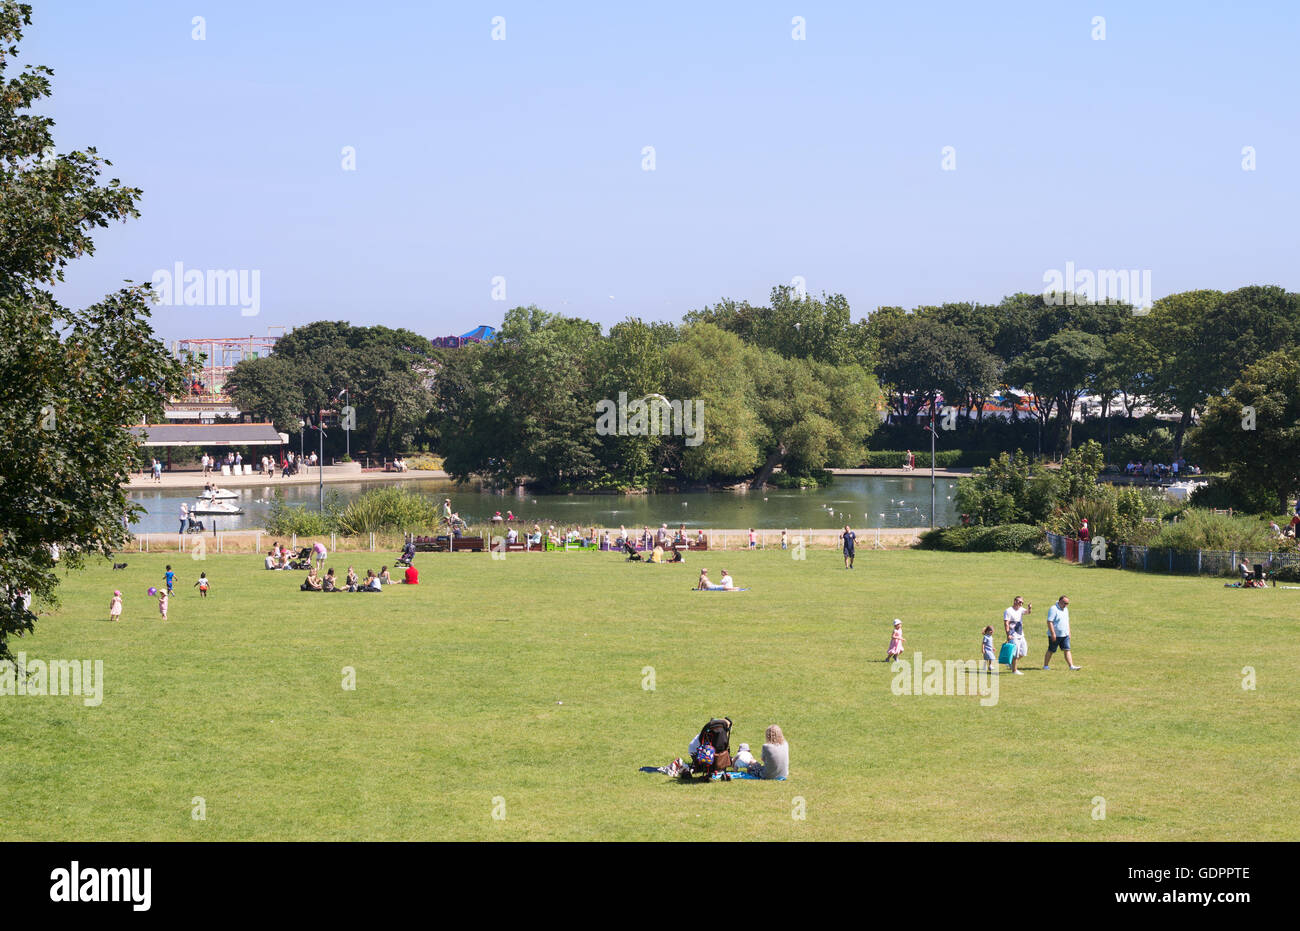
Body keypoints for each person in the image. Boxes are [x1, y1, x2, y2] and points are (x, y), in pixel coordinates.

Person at [1043, 595, 1080, 670]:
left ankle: (1071, 666)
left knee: (1067, 649)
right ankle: (1045, 666)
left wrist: (1069, 632)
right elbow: (1049, 621)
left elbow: (1067, 621)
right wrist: (1053, 634)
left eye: (1067, 603)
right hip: (1055, 635)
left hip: (1064, 634)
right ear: (1059, 601)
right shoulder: (1053, 609)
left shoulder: (1065, 609)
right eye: (1064, 603)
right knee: (1051, 650)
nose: (1066, 605)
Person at [1003, 595, 1031, 675]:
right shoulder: (1008, 611)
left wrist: (1029, 608)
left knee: (1023, 652)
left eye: (1022, 602)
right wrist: (1008, 634)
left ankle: (1010, 663)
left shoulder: (1021, 609)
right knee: (1016, 653)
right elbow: (1006, 623)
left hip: (1021, 634)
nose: (1021, 604)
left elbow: (1028, 612)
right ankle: (1014, 671)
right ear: (1015, 601)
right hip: (1013, 635)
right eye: (1019, 602)